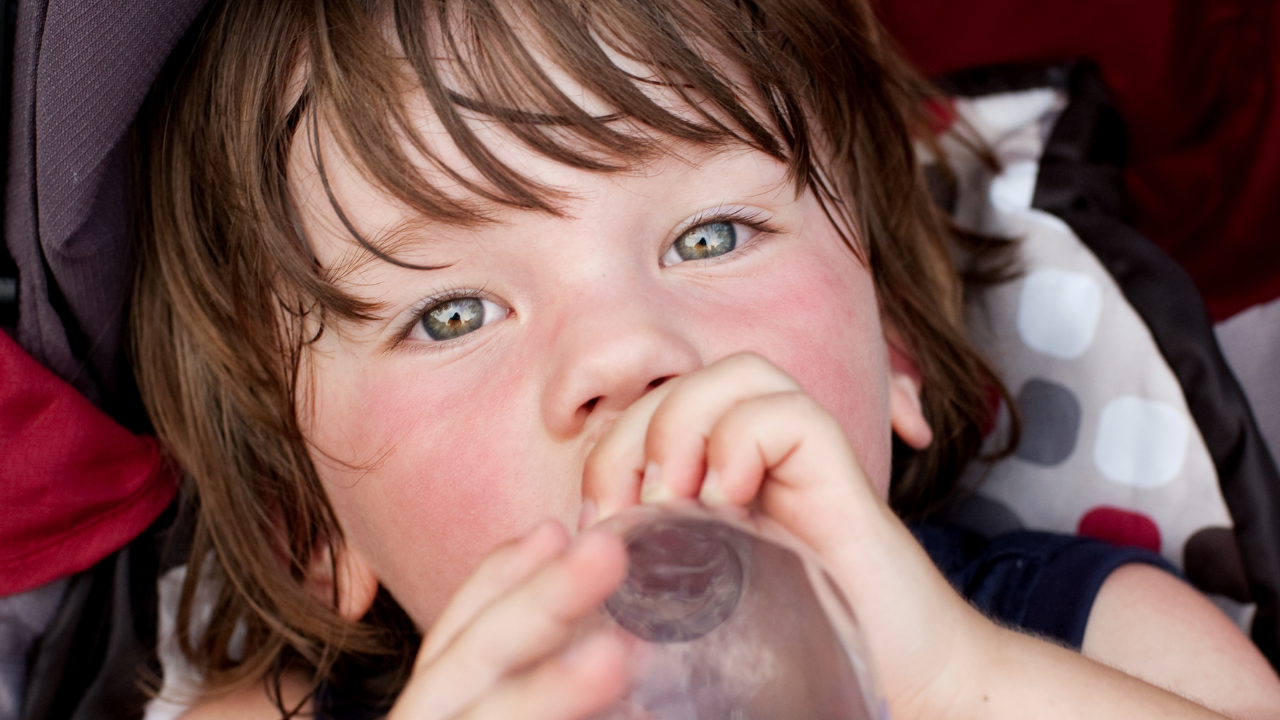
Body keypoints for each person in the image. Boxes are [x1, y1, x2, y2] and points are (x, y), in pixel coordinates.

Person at [129, 0, 1280, 718]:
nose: (624, 353)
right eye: (452, 314)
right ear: (303, 517)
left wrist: (949, 681)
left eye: (709, 236)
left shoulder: (1089, 645)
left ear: (888, 341)